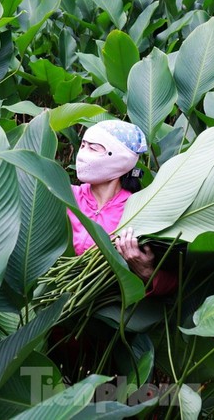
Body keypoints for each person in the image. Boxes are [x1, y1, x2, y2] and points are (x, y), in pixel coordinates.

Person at [67, 120, 177, 296]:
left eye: (93, 148)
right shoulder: (64, 196)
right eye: (82, 145)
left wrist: (147, 273)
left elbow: (178, 285)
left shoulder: (139, 210)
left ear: (120, 160)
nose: (81, 155)